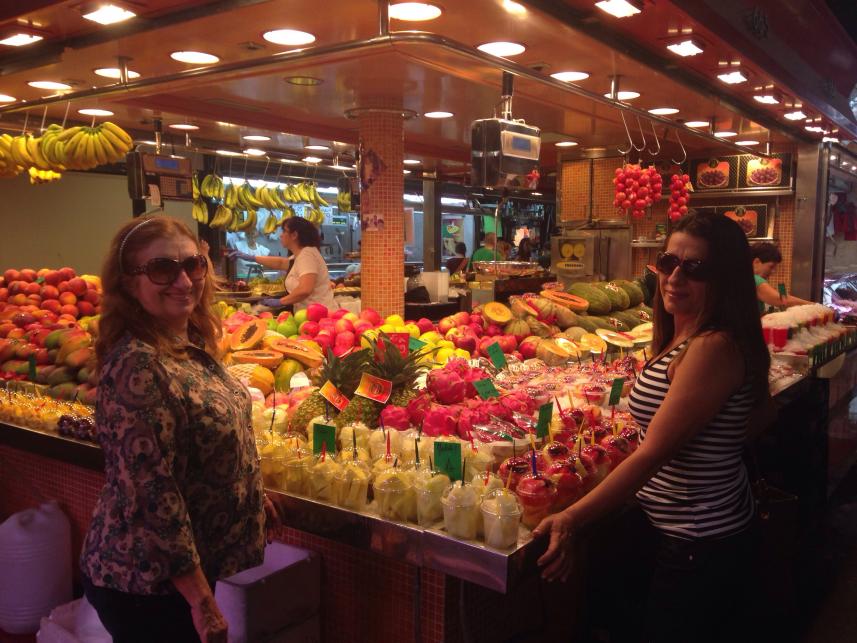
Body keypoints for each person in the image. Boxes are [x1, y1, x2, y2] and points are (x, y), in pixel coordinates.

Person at [533, 211, 770, 643]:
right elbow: (748, 422)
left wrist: (570, 517)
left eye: (694, 268)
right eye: (668, 263)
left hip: (699, 539)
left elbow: (652, 454)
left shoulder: (712, 347)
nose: (674, 277)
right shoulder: (685, 334)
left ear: (726, 278)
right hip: (682, 526)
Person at [81, 216, 279, 643]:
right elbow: (153, 495)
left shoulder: (185, 342)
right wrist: (203, 604)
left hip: (182, 575)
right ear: (128, 283)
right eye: (162, 269)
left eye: (193, 264)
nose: (184, 280)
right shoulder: (137, 364)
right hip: (145, 583)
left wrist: (249, 492)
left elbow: (200, 435)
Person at [231, 217, 336, 311]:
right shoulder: (300, 255)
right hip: (311, 315)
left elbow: (305, 289)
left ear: (294, 235)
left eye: (284, 231)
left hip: (320, 317)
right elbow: (281, 262)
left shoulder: (307, 255)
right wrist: (251, 257)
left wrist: (280, 301)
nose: (281, 235)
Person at [751, 242, 811, 314]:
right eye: (771, 266)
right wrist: (814, 305)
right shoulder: (755, 279)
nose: (773, 272)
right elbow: (782, 300)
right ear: (756, 262)